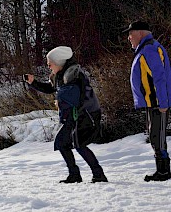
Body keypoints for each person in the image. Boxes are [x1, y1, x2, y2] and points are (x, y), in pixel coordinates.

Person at [24, 46, 108, 183]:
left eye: (50, 63)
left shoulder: (75, 75)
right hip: (73, 116)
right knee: (62, 143)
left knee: (79, 144)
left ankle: (99, 175)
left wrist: (60, 100)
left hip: (86, 115)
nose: (48, 66)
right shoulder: (60, 75)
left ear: (59, 62)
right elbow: (52, 89)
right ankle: (74, 175)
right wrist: (33, 83)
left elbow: (73, 96)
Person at [123, 20, 171, 182]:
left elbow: (159, 77)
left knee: (158, 136)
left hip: (158, 102)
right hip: (153, 102)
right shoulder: (145, 49)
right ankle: (162, 169)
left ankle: (164, 171)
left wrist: (163, 103)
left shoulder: (149, 49)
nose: (129, 37)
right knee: (155, 135)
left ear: (140, 33)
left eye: (131, 34)